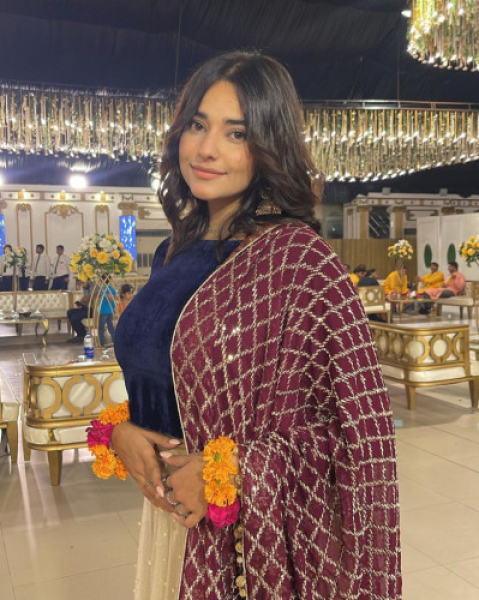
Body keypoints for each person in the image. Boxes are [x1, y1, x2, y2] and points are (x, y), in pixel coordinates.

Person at [112, 51, 401, 599]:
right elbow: (169, 381)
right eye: (198, 125)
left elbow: (356, 432)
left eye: (236, 133)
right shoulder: (174, 251)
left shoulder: (298, 263)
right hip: (167, 523)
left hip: (244, 538)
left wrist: (233, 471)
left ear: (269, 146)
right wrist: (123, 431)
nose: (206, 149)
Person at [98, 274, 116, 347]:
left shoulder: (105, 288)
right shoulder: (111, 288)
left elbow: (110, 297)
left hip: (104, 311)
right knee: (110, 326)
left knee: (101, 327)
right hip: (110, 310)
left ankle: (101, 342)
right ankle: (114, 340)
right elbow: (113, 297)